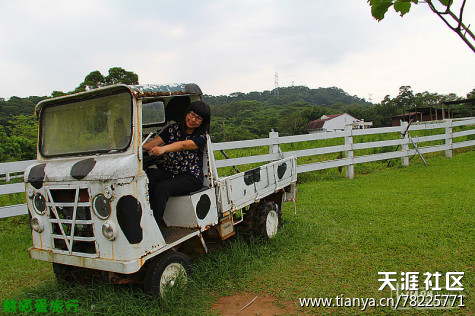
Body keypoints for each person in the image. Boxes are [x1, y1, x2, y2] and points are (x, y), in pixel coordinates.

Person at [143, 100, 211, 226]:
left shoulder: (201, 137)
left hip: (191, 177)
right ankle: (145, 213)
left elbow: (182, 145)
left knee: (161, 188)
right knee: (149, 175)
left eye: (198, 118)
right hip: (171, 173)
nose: (192, 119)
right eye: (191, 114)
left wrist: (164, 148)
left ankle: (154, 227)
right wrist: (138, 149)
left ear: (202, 122)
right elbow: (151, 144)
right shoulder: (172, 129)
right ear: (186, 113)